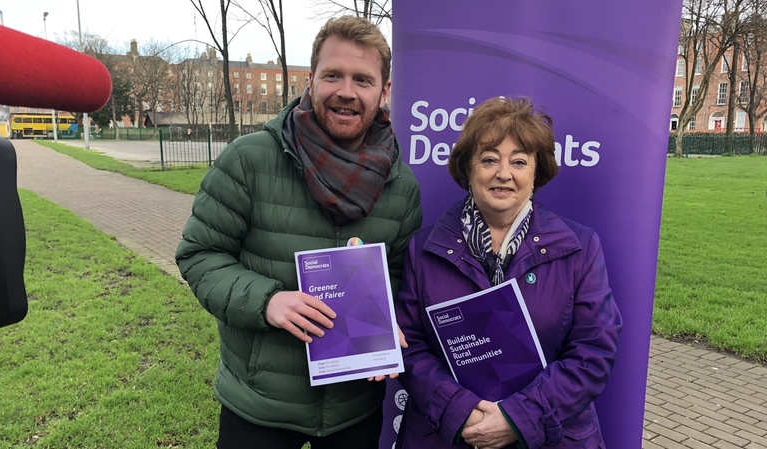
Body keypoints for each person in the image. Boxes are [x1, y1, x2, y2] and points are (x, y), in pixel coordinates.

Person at [175, 16, 422, 449]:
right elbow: (200, 255)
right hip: (259, 405)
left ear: (383, 92)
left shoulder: (401, 187)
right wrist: (268, 301)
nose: (346, 91)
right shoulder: (249, 159)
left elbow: (400, 277)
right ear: (310, 81)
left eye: (363, 79)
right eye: (333, 75)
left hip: (354, 407)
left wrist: (391, 325)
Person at [394, 97, 622, 448]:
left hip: (549, 437)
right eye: (489, 160)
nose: (503, 173)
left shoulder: (581, 248)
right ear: (468, 170)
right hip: (450, 435)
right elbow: (410, 347)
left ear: (536, 172)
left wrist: (520, 418)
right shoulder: (423, 249)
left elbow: (594, 350)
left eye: (519, 161)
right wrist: (461, 411)